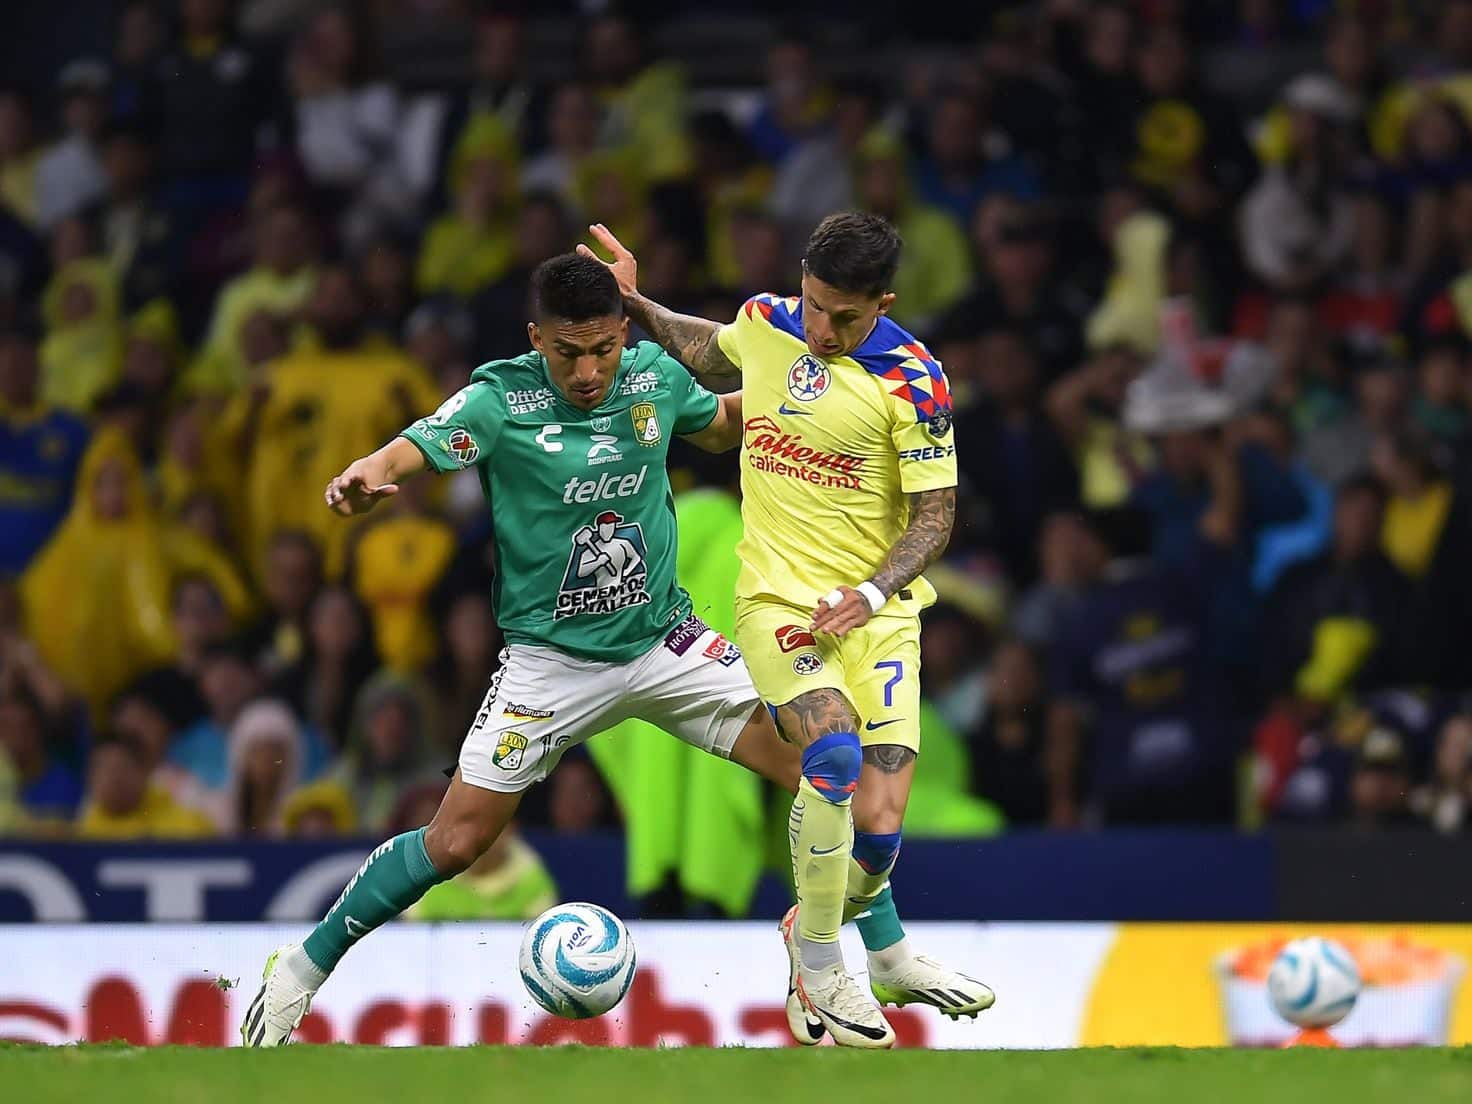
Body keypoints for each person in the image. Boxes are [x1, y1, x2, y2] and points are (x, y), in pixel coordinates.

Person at [241, 254, 806, 1047]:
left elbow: (722, 423)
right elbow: (414, 444)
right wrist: (369, 472)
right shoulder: (503, 398)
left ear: (620, 333)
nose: (588, 371)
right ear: (536, 337)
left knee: (816, 764)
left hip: (664, 642)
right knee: (456, 842)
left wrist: (817, 386)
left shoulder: (651, 375)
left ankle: (833, 968)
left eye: (603, 348)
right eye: (568, 352)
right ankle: (299, 972)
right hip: (550, 666)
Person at [579, 212, 995, 1046]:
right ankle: (821, 960)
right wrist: (636, 303)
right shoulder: (771, 324)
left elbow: (935, 517)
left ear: (883, 302)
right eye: (812, 305)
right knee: (832, 754)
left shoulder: (916, 380)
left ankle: (881, 949)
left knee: (878, 834)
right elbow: (708, 350)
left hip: (875, 616)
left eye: (843, 316)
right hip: (777, 605)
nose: (820, 329)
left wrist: (874, 594)